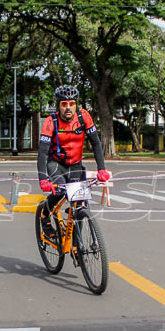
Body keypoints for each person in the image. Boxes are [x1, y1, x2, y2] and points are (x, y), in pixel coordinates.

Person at [37, 85, 110, 238]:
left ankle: (78, 247)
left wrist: (101, 169)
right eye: (64, 104)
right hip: (56, 163)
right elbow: (43, 152)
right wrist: (43, 179)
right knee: (60, 191)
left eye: (71, 103)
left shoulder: (84, 117)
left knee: (80, 202)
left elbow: (96, 143)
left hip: (75, 164)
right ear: (59, 105)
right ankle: (44, 216)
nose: (68, 108)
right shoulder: (51, 121)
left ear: (76, 104)